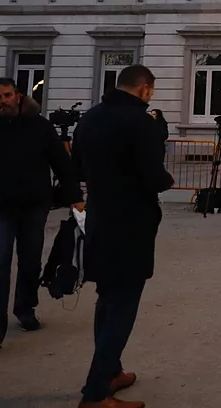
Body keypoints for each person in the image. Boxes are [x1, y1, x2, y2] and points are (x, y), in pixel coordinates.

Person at [0, 78, 83, 352]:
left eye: (7, 95)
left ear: (18, 96)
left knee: (30, 260)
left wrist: (75, 198)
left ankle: (25, 307)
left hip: (34, 205)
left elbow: (62, 165)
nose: (2, 101)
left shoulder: (41, 128)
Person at [70, 64, 174, 408]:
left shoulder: (90, 119)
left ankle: (111, 371)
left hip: (100, 216)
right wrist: (166, 179)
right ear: (145, 89)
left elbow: (77, 167)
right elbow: (153, 174)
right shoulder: (140, 123)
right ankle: (96, 392)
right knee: (123, 305)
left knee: (107, 296)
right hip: (132, 220)